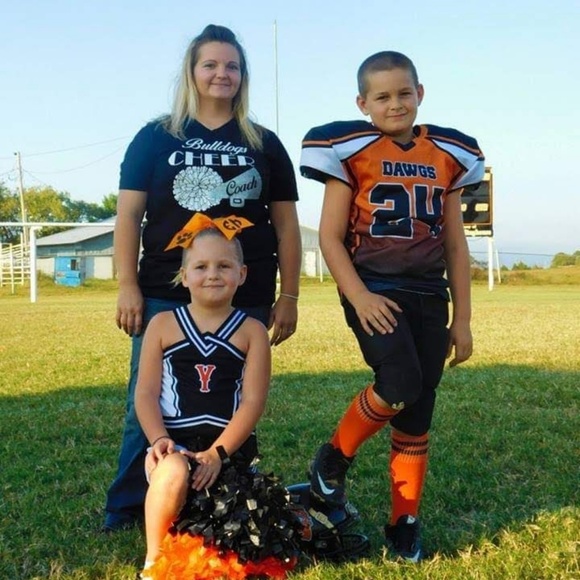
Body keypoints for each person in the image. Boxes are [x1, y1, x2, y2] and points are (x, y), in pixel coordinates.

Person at [104, 23, 302, 532]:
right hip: (165, 293)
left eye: (232, 65)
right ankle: (128, 505)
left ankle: (228, 504)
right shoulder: (156, 137)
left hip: (244, 294)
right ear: (191, 71)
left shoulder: (264, 144)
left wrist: (289, 295)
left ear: (243, 75)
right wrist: (127, 285)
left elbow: (286, 227)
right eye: (210, 64)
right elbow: (129, 217)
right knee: (149, 401)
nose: (221, 74)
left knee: (231, 401)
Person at [299, 51, 484, 562]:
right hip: (374, 287)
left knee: (418, 410)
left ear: (419, 93)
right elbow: (331, 238)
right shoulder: (350, 149)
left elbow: (455, 245)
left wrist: (463, 319)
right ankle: (334, 456)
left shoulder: (448, 153)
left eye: (404, 93)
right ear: (363, 103)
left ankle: (404, 521)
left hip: (429, 291)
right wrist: (358, 295)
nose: (395, 104)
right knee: (399, 382)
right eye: (382, 96)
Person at [134, 224, 271, 575]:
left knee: (237, 547)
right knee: (173, 471)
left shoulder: (253, 330)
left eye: (224, 266)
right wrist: (159, 440)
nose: (212, 274)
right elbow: (145, 393)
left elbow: (253, 402)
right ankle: (153, 562)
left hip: (228, 449)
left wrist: (218, 453)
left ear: (242, 274)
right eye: (200, 266)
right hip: (175, 445)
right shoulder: (162, 324)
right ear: (184, 276)